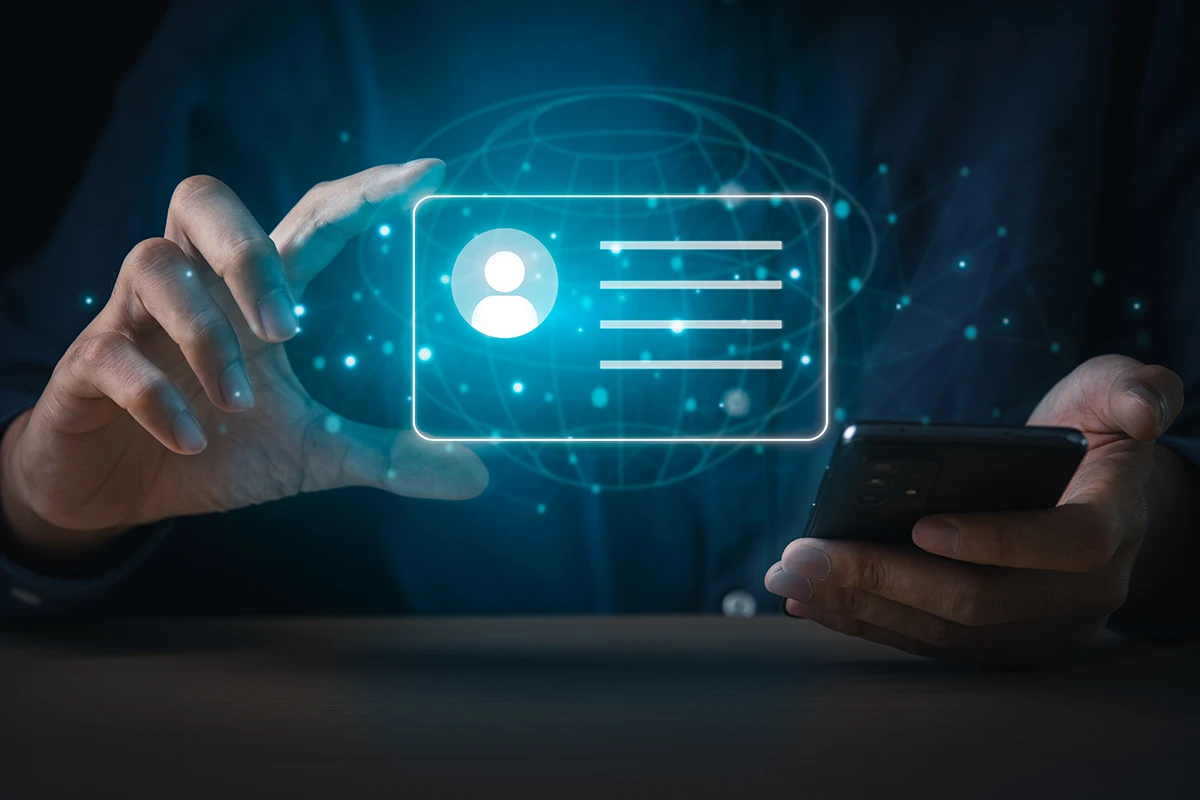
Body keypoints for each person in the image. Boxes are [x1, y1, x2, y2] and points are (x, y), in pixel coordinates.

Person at [1, 0, 1197, 663]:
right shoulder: (287, 29)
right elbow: (44, 418)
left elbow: (1164, 466)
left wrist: (1156, 527)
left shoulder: (1107, 34)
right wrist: (46, 505)